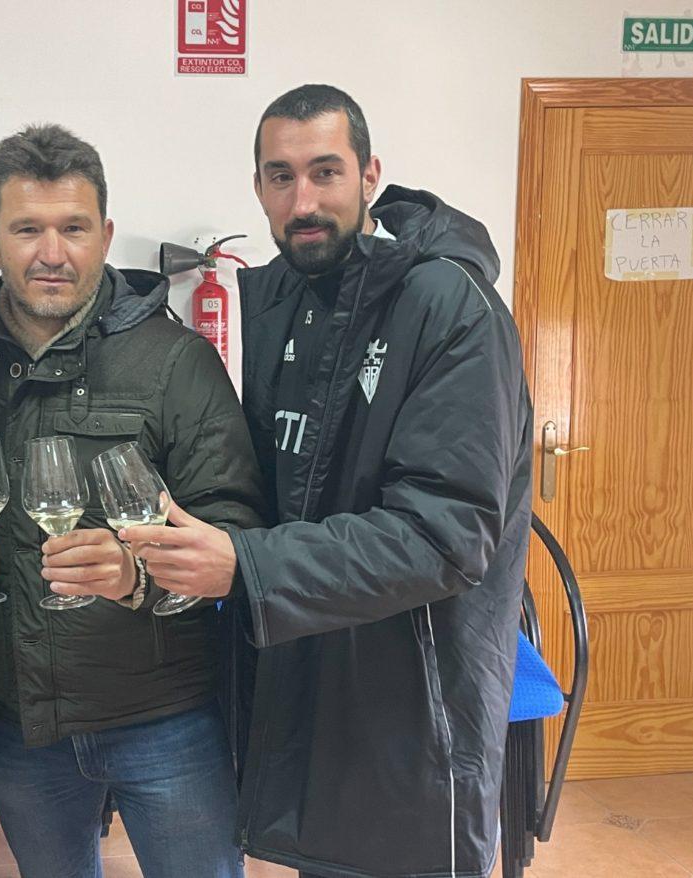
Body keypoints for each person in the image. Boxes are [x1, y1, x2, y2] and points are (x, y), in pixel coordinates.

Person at [120, 85, 534, 878]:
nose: (302, 200)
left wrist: (246, 564)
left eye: (325, 172)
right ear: (257, 188)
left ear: (370, 174)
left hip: (415, 713)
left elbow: (445, 537)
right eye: (280, 176)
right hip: (311, 684)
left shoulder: (450, 305)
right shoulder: (273, 298)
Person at [0, 123, 264, 878]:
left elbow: (235, 529)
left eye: (74, 228)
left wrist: (137, 572)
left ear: (105, 234)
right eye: (28, 229)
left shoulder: (176, 360)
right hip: (17, 722)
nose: (53, 252)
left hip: (165, 717)